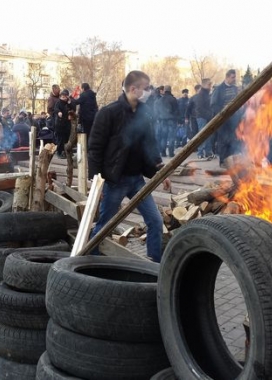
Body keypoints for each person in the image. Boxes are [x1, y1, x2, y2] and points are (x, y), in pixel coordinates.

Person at [88, 70, 171, 263]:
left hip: (137, 181)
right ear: (133, 89)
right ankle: (90, 260)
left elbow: (151, 144)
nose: (149, 91)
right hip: (115, 180)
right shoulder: (109, 113)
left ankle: (153, 266)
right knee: (105, 225)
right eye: (146, 88)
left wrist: (162, 171)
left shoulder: (144, 113)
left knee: (155, 221)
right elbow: (95, 147)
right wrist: (96, 179)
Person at [211, 69, 242, 167]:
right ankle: (223, 161)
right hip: (223, 120)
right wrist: (222, 114)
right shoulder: (219, 89)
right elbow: (214, 104)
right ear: (227, 77)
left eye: (234, 77)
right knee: (223, 141)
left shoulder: (235, 89)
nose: (234, 79)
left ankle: (232, 161)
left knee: (233, 140)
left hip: (234, 119)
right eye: (232, 77)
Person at [154, 85, 179, 157]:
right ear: (170, 90)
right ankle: (171, 153)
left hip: (162, 121)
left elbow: (156, 112)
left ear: (164, 91)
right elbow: (176, 110)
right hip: (171, 120)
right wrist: (177, 118)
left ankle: (163, 153)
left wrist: (159, 119)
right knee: (171, 136)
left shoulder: (159, 100)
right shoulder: (173, 99)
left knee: (163, 137)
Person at [195, 79, 214, 159]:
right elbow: (199, 108)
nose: (210, 86)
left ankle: (208, 152)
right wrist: (208, 114)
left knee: (208, 135)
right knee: (202, 135)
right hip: (201, 117)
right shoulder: (201, 94)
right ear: (204, 85)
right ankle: (200, 152)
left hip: (208, 117)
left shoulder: (207, 94)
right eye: (209, 84)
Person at [53, 89, 75, 158]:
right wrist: (59, 112)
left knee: (67, 139)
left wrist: (69, 103)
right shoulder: (58, 103)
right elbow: (56, 109)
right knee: (60, 139)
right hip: (60, 123)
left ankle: (67, 152)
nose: (63, 98)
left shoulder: (68, 103)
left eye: (65, 97)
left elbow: (73, 108)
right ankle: (59, 152)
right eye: (62, 97)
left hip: (67, 123)